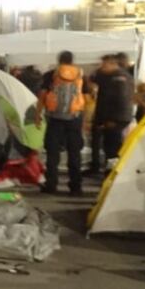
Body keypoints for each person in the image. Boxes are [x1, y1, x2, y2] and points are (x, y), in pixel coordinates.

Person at [36, 50, 86, 196]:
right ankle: (75, 187)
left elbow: (42, 95)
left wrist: (38, 114)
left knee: (53, 153)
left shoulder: (51, 74)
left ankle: (51, 185)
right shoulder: (80, 74)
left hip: (55, 118)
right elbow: (85, 97)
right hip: (74, 118)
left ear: (59, 60)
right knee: (74, 153)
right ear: (72, 60)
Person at [88, 54, 134, 175]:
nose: (102, 67)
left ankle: (112, 173)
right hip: (108, 117)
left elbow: (121, 100)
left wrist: (114, 119)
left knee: (113, 148)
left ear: (113, 64)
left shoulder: (119, 78)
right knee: (108, 146)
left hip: (116, 119)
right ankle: (108, 171)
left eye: (104, 64)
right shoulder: (109, 76)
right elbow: (93, 78)